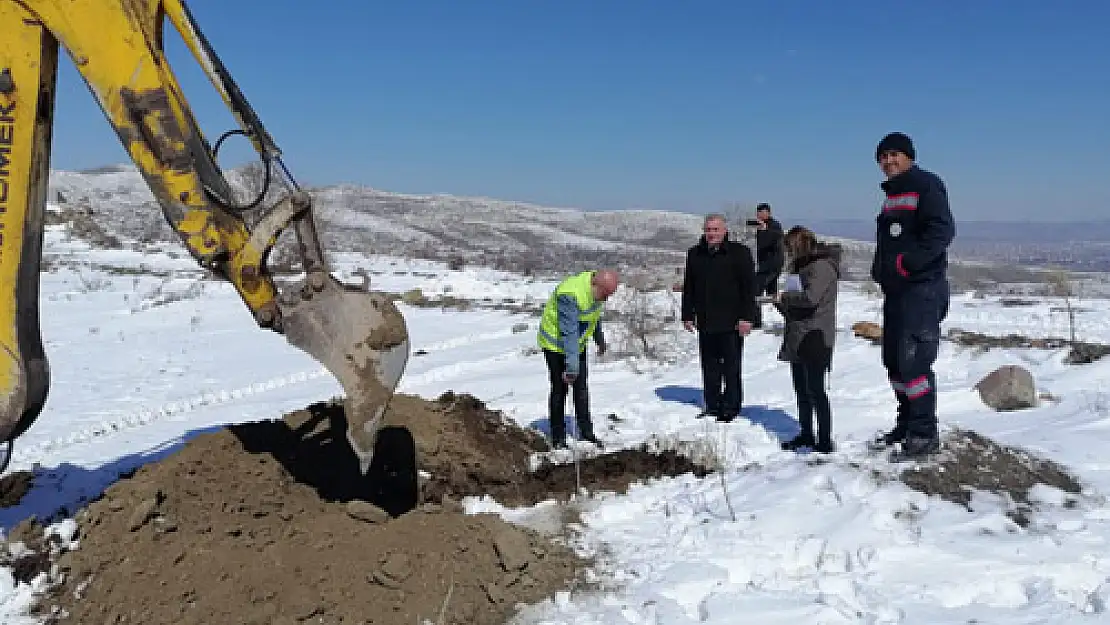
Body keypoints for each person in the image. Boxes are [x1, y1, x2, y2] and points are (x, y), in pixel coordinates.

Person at [869, 132, 956, 459]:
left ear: (909, 156)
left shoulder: (926, 185)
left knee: (914, 361)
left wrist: (909, 264)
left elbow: (941, 231)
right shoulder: (892, 194)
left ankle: (923, 432)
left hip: (922, 289)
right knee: (893, 360)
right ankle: (906, 422)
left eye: (894, 155)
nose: (888, 161)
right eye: (883, 157)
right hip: (897, 292)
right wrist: (882, 270)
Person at [681, 214, 760, 422]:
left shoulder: (739, 253)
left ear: (724, 231)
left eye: (715, 230)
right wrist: (687, 314)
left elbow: (748, 288)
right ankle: (713, 404)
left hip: (732, 321)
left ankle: (731, 406)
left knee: (731, 367)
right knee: (710, 366)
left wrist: (747, 317)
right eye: (708, 229)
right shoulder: (695, 254)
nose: (711, 234)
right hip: (706, 320)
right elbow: (689, 286)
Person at [772, 226, 841, 454]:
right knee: (801, 390)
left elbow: (810, 299)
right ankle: (806, 434)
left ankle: (824, 440)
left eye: (791, 249)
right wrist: (780, 303)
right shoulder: (799, 267)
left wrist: (786, 297)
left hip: (815, 336)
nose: (789, 255)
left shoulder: (821, 267)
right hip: (797, 334)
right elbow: (795, 305)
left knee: (816, 391)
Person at [537, 268, 619, 449]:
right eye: (605, 294)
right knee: (560, 389)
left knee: (581, 389)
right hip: (554, 344)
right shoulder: (570, 294)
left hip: (576, 345)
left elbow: (593, 317)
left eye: (609, 296)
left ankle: (586, 432)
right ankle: (557, 437)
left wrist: (599, 339)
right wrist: (572, 367)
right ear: (595, 284)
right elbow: (569, 332)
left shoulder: (595, 293)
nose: (606, 299)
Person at [752, 203, 785, 296]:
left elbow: (767, 242)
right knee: (772, 294)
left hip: (771, 265)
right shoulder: (763, 226)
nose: (759, 215)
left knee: (755, 290)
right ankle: (782, 309)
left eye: (761, 212)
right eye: (758, 212)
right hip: (766, 264)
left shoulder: (774, 226)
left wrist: (764, 231)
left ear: (768, 213)